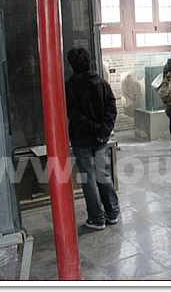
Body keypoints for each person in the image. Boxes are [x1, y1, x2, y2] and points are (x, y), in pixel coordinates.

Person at [65, 46, 120, 231]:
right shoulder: (101, 82)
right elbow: (112, 108)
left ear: (72, 66)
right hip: (100, 140)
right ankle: (112, 213)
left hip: (82, 140)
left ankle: (97, 218)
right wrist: (102, 131)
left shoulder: (70, 86)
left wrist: (95, 129)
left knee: (88, 179)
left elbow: (75, 115)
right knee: (103, 174)